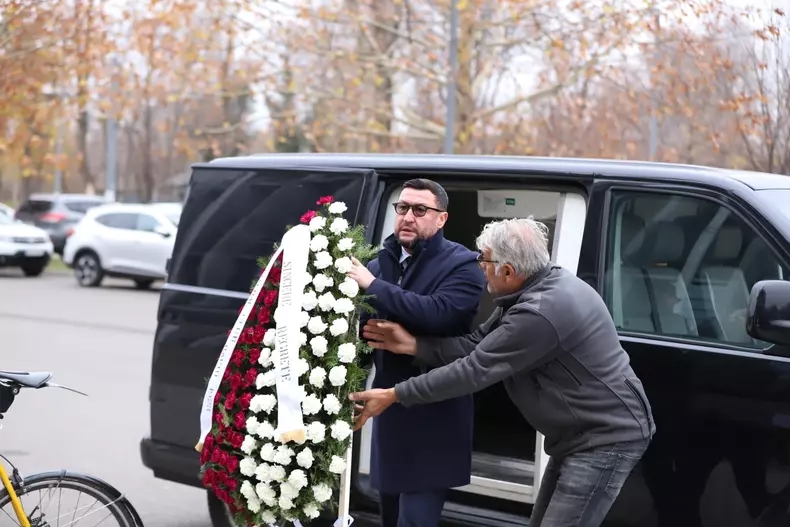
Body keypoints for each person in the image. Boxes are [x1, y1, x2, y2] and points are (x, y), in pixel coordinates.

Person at [349, 217, 656, 527]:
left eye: (484, 260)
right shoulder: (534, 286)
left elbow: (473, 371)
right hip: (579, 433)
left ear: (508, 271)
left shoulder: (538, 312)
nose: (480, 266)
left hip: (604, 437)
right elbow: (476, 344)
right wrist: (416, 346)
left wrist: (394, 394)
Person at [344, 178, 486, 527]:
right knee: (390, 519)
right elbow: (364, 336)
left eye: (420, 209)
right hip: (390, 412)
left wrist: (373, 286)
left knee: (416, 521)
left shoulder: (464, 264)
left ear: (441, 218)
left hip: (436, 416)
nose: (408, 216)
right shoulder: (379, 263)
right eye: (403, 207)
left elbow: (439, 313)